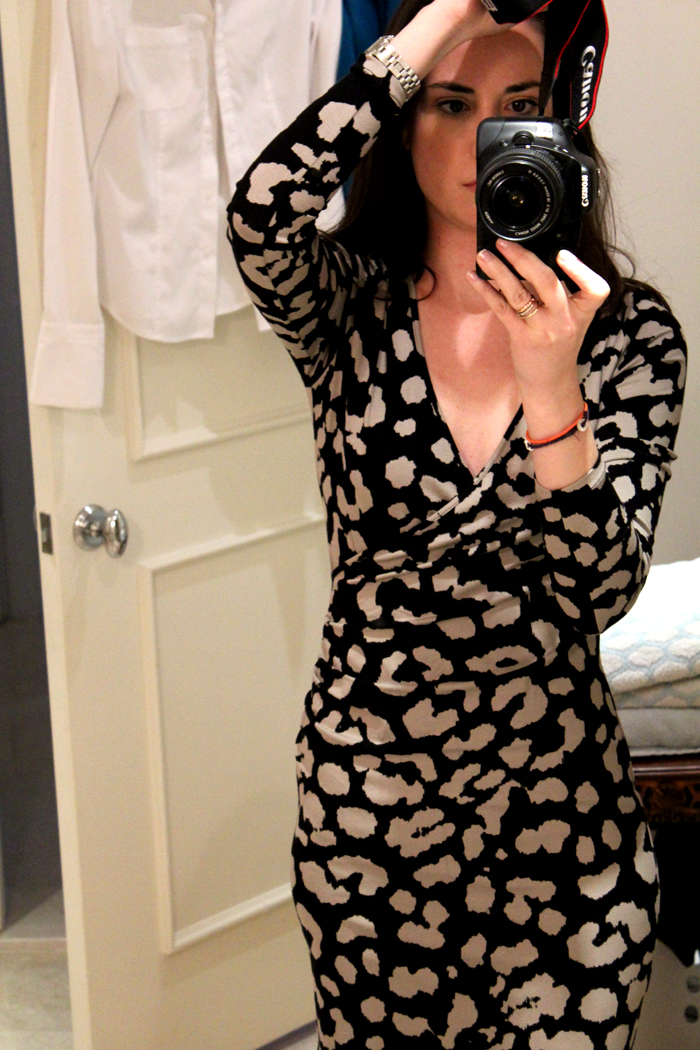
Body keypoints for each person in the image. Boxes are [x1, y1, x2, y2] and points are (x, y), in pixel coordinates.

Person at [228, 0, 687, 1046]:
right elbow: (260, 213)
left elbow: (603, 589)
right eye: (450, 103)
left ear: (560, 124)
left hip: (565, 839)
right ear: (402, 122)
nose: (486, 138)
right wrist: (437, 15)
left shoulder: (628, 334)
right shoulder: (347, 307)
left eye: (518, 104)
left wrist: (552, 386)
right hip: (370, 825)